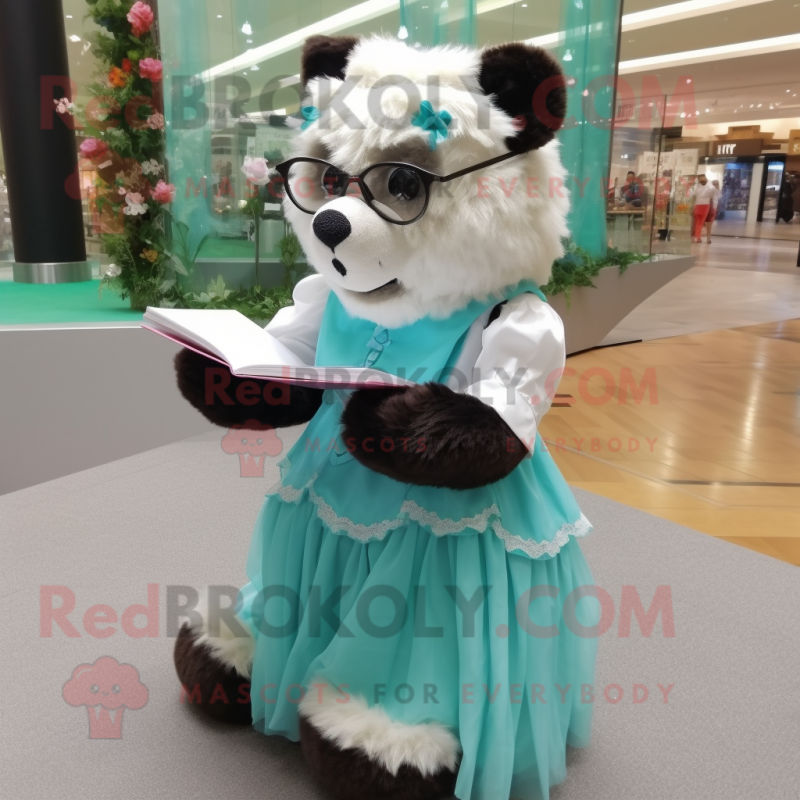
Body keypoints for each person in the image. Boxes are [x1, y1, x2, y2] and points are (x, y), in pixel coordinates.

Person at [691, 174, 715, 243]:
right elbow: (711, 193)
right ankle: (697, 237)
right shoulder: (710, 187)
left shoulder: (697, 187)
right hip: (704, 205)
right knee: (700, 222)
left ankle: (696, 237)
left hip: (698, 205)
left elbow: (693, 194)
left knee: (697, 222)